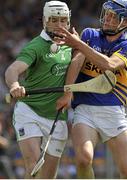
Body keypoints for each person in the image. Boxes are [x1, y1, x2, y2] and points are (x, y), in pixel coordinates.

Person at [56, 0, 127, 178]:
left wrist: (79, 44)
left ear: (125, 22)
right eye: (107, 14)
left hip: (113, 112)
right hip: (84, 109)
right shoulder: (90, 34)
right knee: (84, 159)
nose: (107, 19)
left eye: (113, 16)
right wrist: (68, 93)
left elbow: (109, 64)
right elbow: (77, 62)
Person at [5, 1, 72, 179]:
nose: (60, 25)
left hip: (57, 116)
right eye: (54, 20)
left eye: (64, 20)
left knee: (48, 176)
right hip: (30, 112)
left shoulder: (73, 44)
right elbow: (13, 70)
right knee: (34, 166)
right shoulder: (36, 46)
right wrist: (14, 85)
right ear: (44, 21)